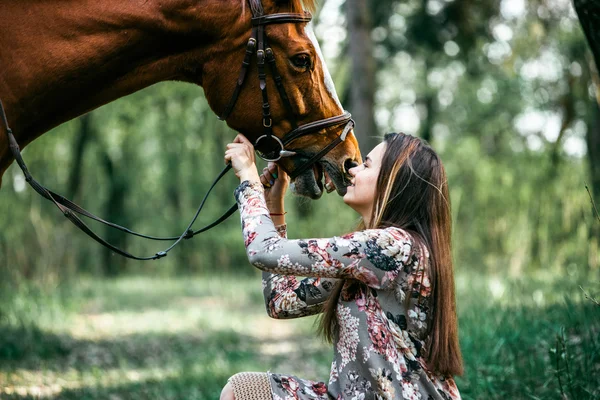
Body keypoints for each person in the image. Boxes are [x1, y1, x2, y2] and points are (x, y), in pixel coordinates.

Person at [221, 132, 463, 400]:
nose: (353, 170)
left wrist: (249, 179)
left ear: (393, 184)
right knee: (240, 391)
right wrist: (273, 204)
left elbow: (262, 251)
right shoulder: (367, 263)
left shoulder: (394, 247)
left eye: (367, 165)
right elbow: (281, 301)